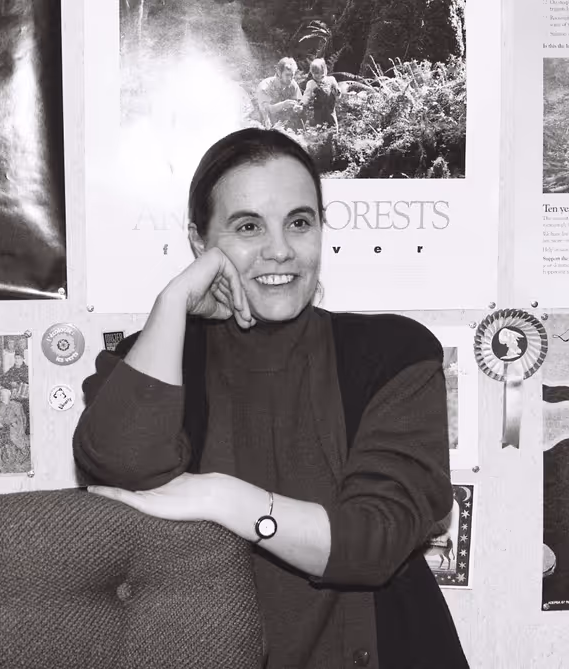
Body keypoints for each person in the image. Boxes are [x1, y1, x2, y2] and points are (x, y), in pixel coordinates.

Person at [73, 128, 469, 669]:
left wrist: (219, 497)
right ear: (199, 242)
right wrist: (171, 306)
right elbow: (117, 465)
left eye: (299, 222)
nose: (279, 249)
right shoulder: (158, 359)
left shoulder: (393, 355)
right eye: (247, 226)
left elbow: (373, 544)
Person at [256, 57, 302, 129]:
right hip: (261, 122)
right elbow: (267, 110)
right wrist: (283, 104)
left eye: (292, 75)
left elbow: (297, 102)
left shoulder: (293, 85)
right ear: (279, 73)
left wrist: (297, 108)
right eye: (287, 75)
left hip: (282, 124)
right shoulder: (265, 87)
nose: (290, 79)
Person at [301, 58, 341, 128]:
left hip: (330, 111)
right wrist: (303, 103)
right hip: (318, 113)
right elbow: (306, 95)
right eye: (312, 73)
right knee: (319, 130)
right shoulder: (311, 83)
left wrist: (337, 93)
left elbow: (337, 95)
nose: (314, 75)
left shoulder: (331, 80)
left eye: (316, 73)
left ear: (323, 71)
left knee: (333, 130)